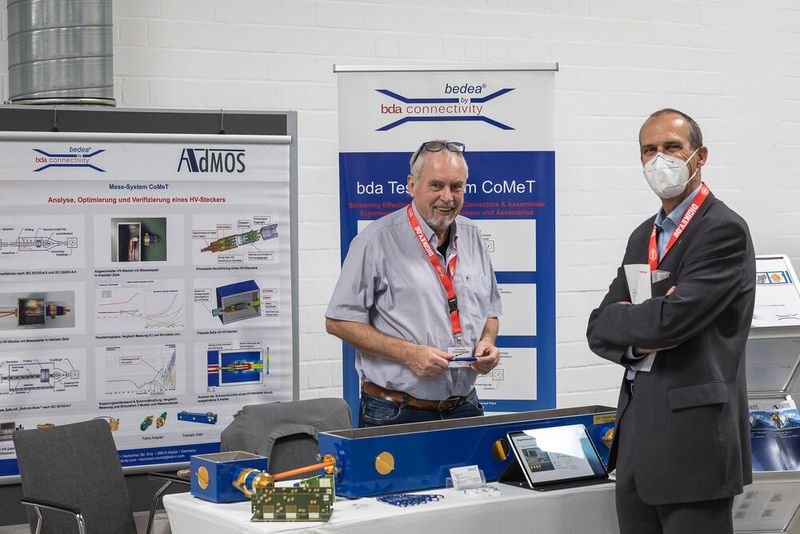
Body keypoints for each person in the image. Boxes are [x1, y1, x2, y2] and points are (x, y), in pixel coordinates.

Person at [586, 109, 754, 534]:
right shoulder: (642, 236)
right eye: (649, 150)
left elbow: (671, 324)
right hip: (638, 444)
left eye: (672, 147)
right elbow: (597, 327)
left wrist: (639, 320)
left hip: (694, 447)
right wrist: (642, 332)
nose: (659, 159)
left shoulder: (723, 230)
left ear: (699, 156)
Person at [326, 140, 502, 427]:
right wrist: (409, 354)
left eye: (456, 187)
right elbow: (338, 321)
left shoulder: (473, 236)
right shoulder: (375, 241)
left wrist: (487, 343)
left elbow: (491, 312)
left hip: (464, 406)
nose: (447, 197)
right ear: (411, 184)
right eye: (436, 185)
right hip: (396, 410)